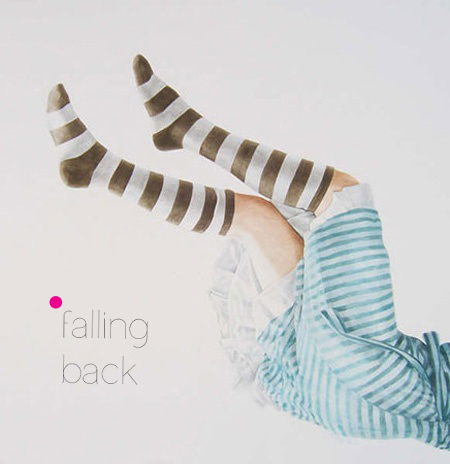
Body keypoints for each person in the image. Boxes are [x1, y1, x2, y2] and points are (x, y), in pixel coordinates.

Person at [46, 54, 450, 451]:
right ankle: (95, 167)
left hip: (385, 380)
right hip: (328, 400)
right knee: (257, 220)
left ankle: (183, 129)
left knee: (343, 198)